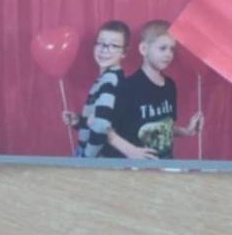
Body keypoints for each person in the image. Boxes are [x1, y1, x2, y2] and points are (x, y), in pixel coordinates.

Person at [101, 20, 203, 160]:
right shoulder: (127, 87)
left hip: (166, 163)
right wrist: (131, 151)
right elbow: (104, 128)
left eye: (172, 49)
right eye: (162, 48)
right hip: (135, 168)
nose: (168, 54)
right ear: (144, 49)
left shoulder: (170, 86)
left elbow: (163, 128)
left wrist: (186, 131)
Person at [61, 20, 130, 158]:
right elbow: (100, 118)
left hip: (100, 159)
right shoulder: (107, 78)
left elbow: (101, 126)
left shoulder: (110, 81)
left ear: (124, 52)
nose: (104, 49)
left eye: (113, 45)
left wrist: (87, 157)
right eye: (101, 43)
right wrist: (79, 121)